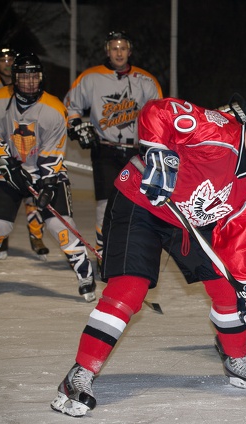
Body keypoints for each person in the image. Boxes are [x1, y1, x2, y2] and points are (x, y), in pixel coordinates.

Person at [50, 95, 246, 418]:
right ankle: (80, 373)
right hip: (142, 199)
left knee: (228, 287)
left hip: (187, 219)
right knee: (131, 287)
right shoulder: (219, 133)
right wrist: (157, 151)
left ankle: (236, 358)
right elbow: (158, 111)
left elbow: (237, 242)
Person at [0, 53, 96, 301]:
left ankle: (85, 273)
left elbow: (53, 151)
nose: (29, 82)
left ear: (41, 78)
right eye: (24, 76)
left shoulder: (53, 108)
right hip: (7, 170)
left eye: (34, 76)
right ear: (14, 78)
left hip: (45, 173)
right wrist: (6, 162)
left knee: (58, 226)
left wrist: (48, 184)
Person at [64, 30, 163, 262]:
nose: (119, 52)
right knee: (106, 203)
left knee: (140, 202)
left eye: (123, 47)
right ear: (107, 50)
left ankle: (134, 251)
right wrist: (77, 126)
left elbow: (159, 115)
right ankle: (104, 252)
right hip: (105, 149)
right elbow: (70, 106)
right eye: (114, 47)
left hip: (137, 150)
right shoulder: (90, 78)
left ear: (130, 51)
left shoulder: (146, 80)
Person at [0, 45, 49, 259]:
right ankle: (1, 237)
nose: (6, 63)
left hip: (24, 146)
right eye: (2, 59)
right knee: (2, 192)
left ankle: (36, 234)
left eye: (10, 59)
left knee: (31, 190)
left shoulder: (30, 85)